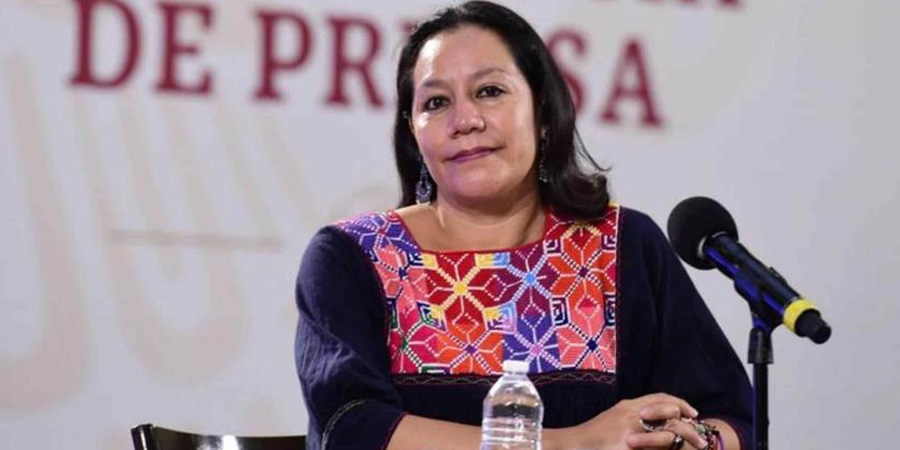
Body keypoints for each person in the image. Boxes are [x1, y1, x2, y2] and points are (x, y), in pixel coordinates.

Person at [294, 2, 753, 449]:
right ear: (413, 133)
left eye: (489, 91)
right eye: (436, 102)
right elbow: (349, 429)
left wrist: (687, 441)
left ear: (543, 111)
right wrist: (570, 444)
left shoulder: (622, 246)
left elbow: (732, 420)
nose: (465, 121)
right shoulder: (355, 256)